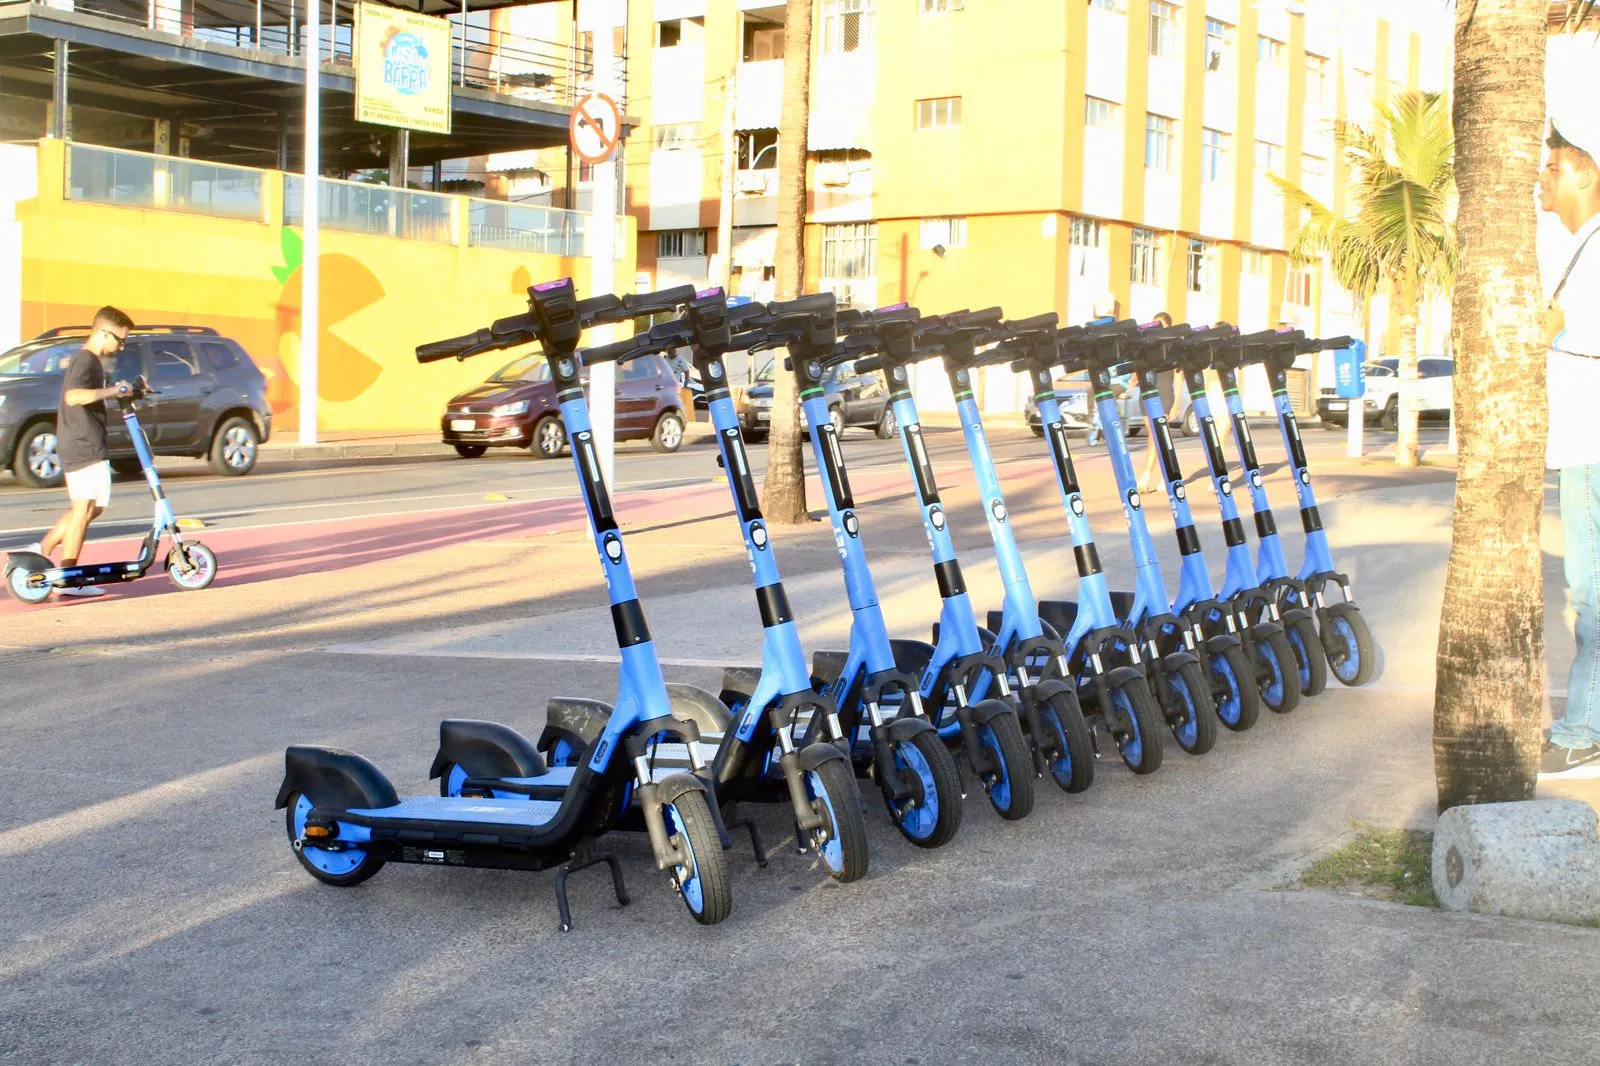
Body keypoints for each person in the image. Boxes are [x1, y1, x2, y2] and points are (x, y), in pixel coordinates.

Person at [1537, 113, 1600, 776]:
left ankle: (1583, 727)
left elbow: (1570, 331)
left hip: (1592, 448)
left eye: (1549, 170)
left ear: (1580, 173)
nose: (1537, 183)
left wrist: (1547, 326)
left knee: (1592, 593)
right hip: (1585, 447)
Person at [24, 307, 135, 597]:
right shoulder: (84, 360)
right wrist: (112, 392)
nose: (120, 347)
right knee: (83, 509)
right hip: (81, 444)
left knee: (90, 508)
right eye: (119, 341)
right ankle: (68, 578)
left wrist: (122, 391)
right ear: (103, 332)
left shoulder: (92, 362)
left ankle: (41, 549)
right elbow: (74, 396)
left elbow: (87, 394)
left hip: (86, 443)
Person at [1137, 311, 1181, 492]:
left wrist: (1177, 402)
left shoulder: (1173, 347)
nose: (1157, 329)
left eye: (1160, 325)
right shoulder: (1148, 346)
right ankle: (1169, 473)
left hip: (1164, 394)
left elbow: (1179, 376)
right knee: (1154, 437)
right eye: (1154, 325)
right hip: (1147, 393)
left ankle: (1146, 476)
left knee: (1156, 435)